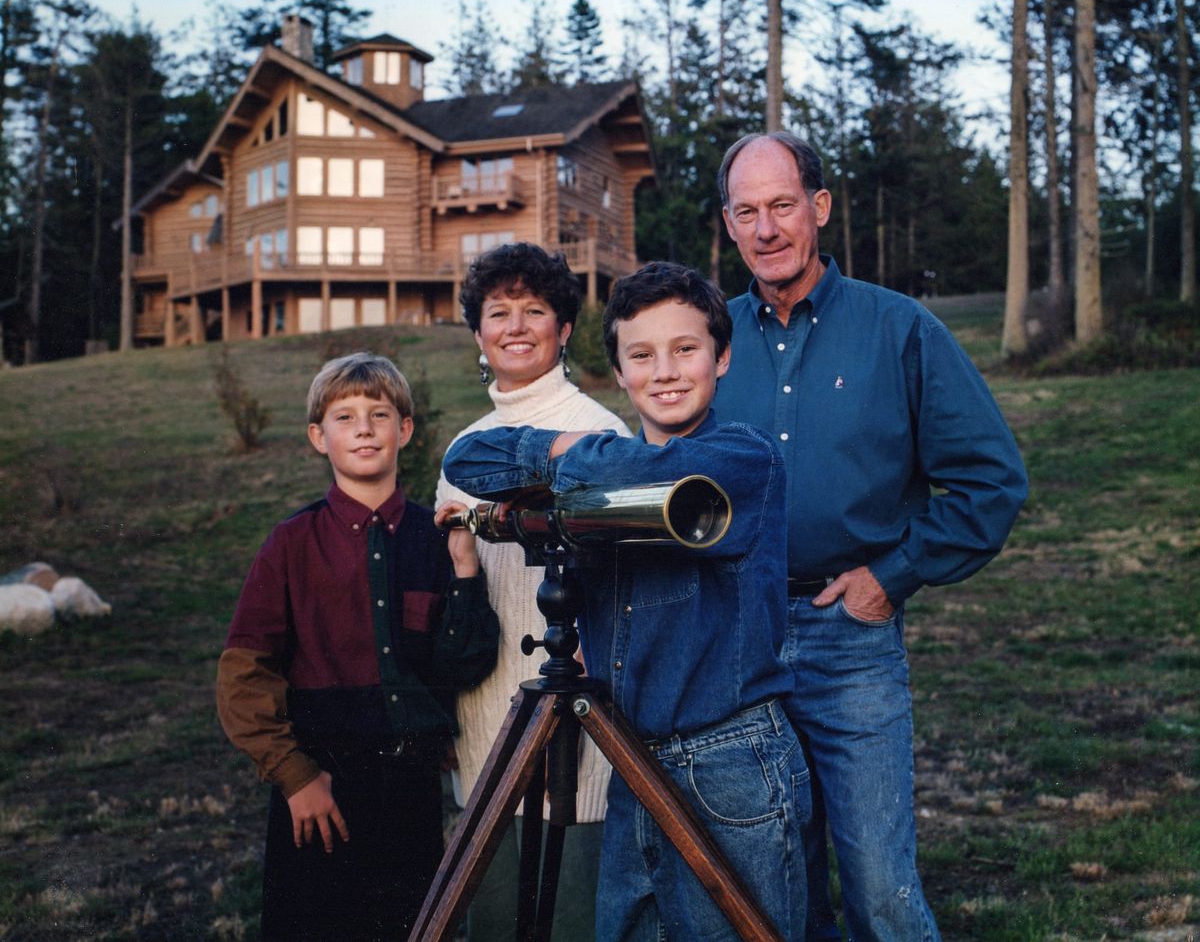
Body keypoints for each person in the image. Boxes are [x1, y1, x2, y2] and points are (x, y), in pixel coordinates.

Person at [713, 131, 1029, 940]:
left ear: (819, 208)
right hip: (736, 643)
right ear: (727, 224)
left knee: (881, 891)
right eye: (747, 211)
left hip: (848, 639)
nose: (767, 228)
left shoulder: (900, 330)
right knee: (771, 892)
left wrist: (895, 572)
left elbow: (993, 481)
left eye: (783, 205)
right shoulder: (709, 342)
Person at [444, 261, 811, 941]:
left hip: (728, 759)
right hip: (630, 755)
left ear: (722, 357)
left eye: (686, 350)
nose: (665, 371)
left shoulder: (745, 457)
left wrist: (565, 458)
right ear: (616, 372)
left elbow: (675, 477)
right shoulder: (603, 463)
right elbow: (468, 458)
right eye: (641, 355)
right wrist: (586, 453)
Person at [216, 352, 500, 941]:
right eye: (345, 417)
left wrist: (467, 571)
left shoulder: (436, 539)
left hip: (408, 793)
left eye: (379, 413)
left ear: (406, 429)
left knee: (408, 926)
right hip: (320, 786)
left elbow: (465, 663)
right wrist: (295, 777)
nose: (365, 428)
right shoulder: (291, 544)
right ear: (319, 437)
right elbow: (245, 676)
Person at [436, 242, 631, 942]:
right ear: (478, 331)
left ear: (565, 329)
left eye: (535, 310)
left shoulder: (601, 433)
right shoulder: (464, 448)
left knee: (569, 910)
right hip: (486, 710)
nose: (516, 325)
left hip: (575, 718)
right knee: (493, 913)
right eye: (499, 311)